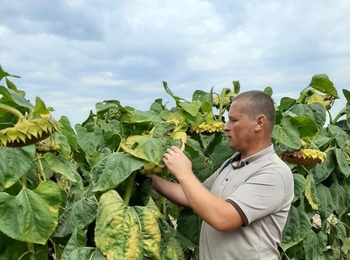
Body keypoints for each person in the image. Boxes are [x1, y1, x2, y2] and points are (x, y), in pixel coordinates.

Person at [151, 90, 294, 260]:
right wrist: (149, 177)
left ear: (259, 123)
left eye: (233, 120)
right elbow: (194, 195)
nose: (226, 126)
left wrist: (184, 173)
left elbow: (223, 219)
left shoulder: (273, 173)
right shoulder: (232, 163)